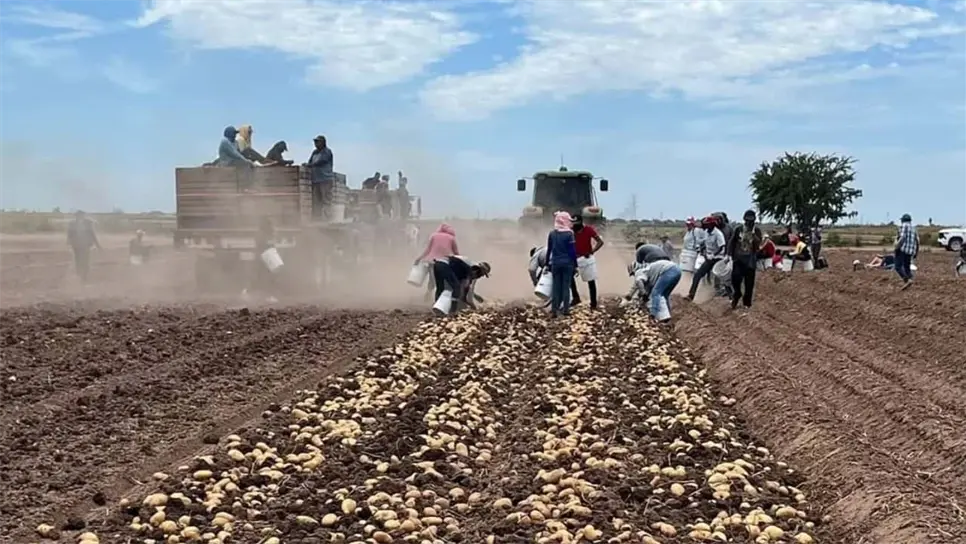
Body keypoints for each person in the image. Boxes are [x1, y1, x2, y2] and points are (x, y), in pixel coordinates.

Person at [727, 209, 763, 310]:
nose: (749, 223)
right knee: (735, 279)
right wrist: (729, 255)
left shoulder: (757, 231)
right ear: (744, 220)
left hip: (750, 261)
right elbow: (732, 242)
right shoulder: (738, 229)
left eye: (751, 221)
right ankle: (737, 293)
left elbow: (758, 244)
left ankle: (747, 304)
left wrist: (753, 234)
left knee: (749, 284)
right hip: (738, 260)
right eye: (747, 221)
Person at [686, 216, 726, 301]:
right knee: (697, 275)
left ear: (711, 225)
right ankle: (691, 295)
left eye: (706, 225)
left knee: (719, 277)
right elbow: (704, 243)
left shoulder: (718, 234)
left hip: (718, 258)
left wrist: (714, 254)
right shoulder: (706, 232)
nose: (704, 226)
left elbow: (722, 246)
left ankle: (728, 295)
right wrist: (702, 250)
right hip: (709, 258)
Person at [546, 211, 578, 318]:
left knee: (556, 287)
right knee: (566, 287)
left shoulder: (552, 234)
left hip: (555, 263)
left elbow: (549, 250)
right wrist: (576, 265)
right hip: (567, 264)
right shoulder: (570, 234)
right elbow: (572, 251)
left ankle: (554, 310)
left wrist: (547, 264)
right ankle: (566, 310)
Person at [415, 223, 459, 299]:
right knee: (442, 280)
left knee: (433, 278)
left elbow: (428, 249)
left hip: (431, 261)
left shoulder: (434, 236)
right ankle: (439, 299)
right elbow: (456, 252)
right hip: (444, 262)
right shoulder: (451, 238)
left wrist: (419, 258)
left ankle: (429, 292)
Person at [571, 215, 604, 309]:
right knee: (569, 278)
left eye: (576, 223)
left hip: (586, 258)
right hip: (574, 258)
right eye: (573, 223)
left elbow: (600, 242)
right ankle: (575, 297)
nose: (575, 226)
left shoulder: (588, 230)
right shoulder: (570, 231)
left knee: (591, 281)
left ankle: (593, 303)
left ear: (581, 222)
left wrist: (592, 251)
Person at [67, 211, 101, 282]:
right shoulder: (72, 224)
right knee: (78, 259)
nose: (79, 216)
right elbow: (69, 234)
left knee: (85, 260)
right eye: (78, 215)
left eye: (81, 215)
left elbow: (92, 234)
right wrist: (69, 242)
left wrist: (97, 245)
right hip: (76, 245)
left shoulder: (88, 223)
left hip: (85, 244)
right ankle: (79, 273)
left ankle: (84, 275)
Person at [304, 136, 334, 218]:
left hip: (325, 180)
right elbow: (310, 161)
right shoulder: (314, 152)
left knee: (326, 201)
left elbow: (321, 161)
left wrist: (310, 165)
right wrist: (307, 165)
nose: (316, 144)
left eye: (318, 142)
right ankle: (317, 220)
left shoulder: (327, 152)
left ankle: (328, 219)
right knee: (316, 202)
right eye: (315, 142)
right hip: (316, 180)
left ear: (323, 142)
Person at [894, 213, 919, 289]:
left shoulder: (903, 226)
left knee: (897, 266)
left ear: (903, 220)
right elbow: (917, 241)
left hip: (902, 249)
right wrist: (916, 252)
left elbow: (902, 238)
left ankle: (907, 280)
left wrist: (897, 247)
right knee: (907, 267)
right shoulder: (914, 228)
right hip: (910, 251)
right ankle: (910, 280)